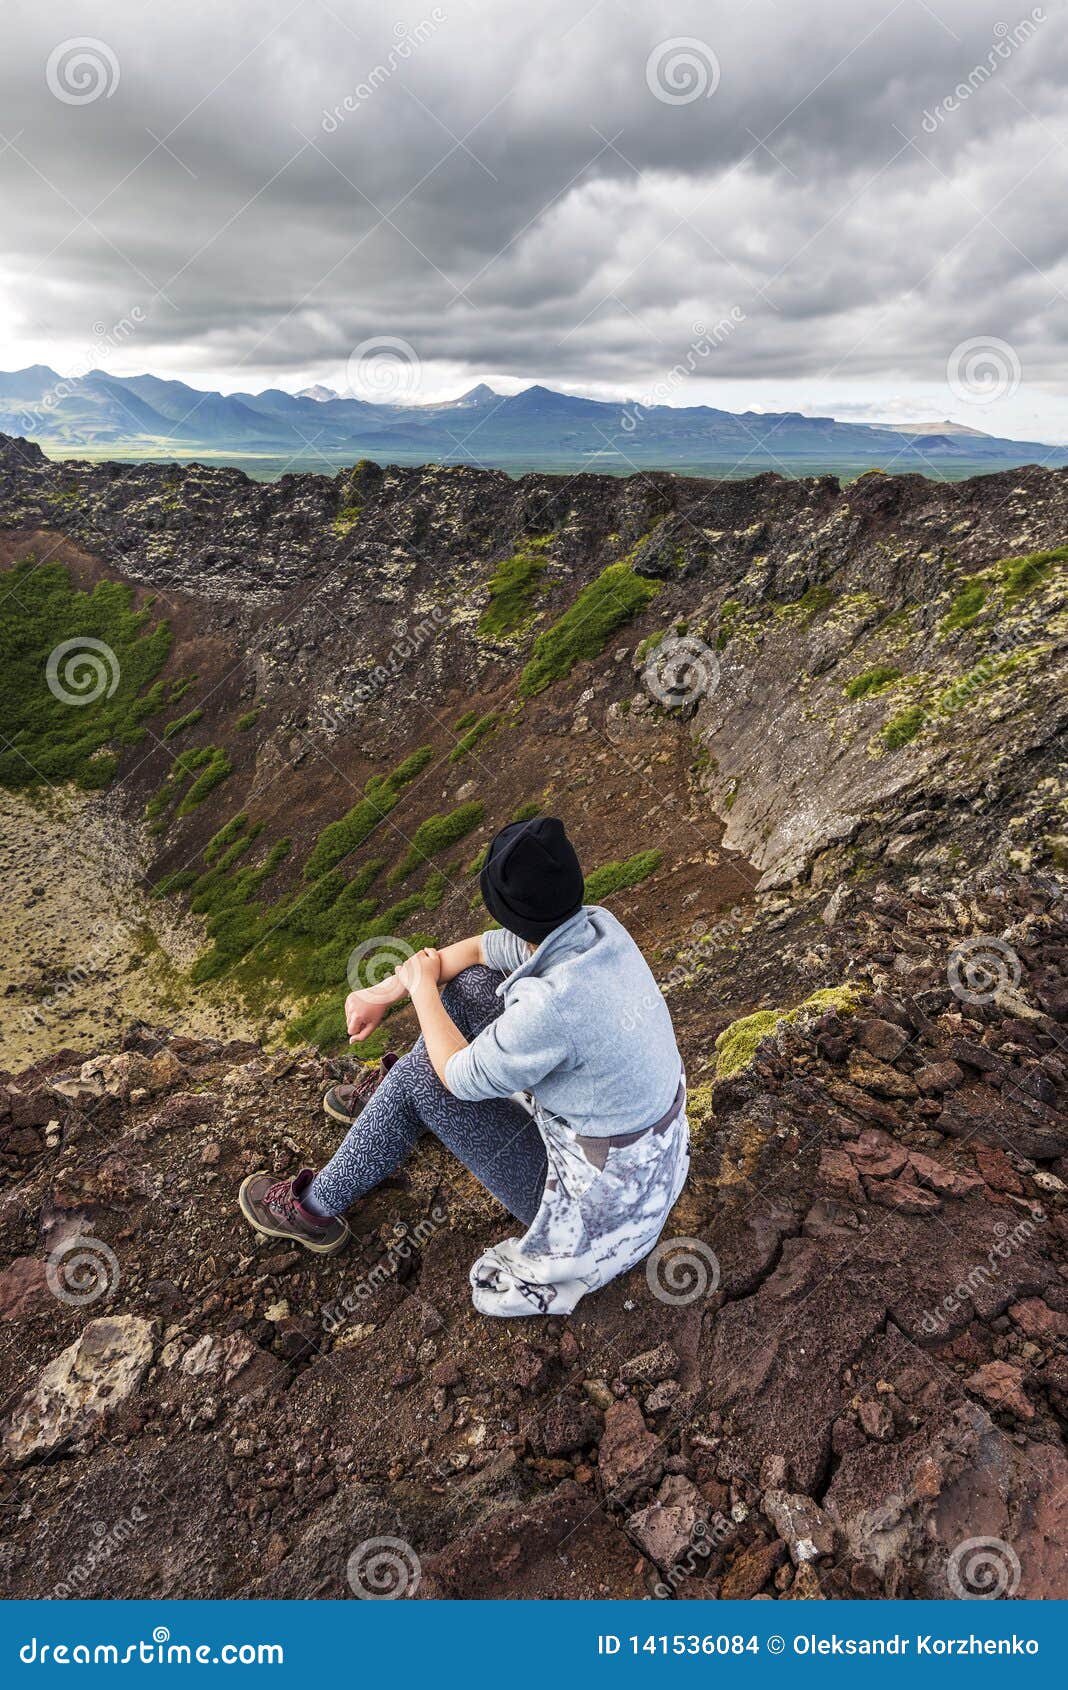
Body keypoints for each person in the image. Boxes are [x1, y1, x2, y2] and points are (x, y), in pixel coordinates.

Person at [238, 816, 689, 1316]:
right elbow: (480, 950)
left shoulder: (552, 1008)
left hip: (591, 1200)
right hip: (644, 1155)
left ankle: (313, 1209)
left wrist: (420, 988)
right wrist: (386, 991)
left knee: (419, 1078)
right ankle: (395, 1115)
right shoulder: (597, 926)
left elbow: (457, 1075)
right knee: (472, 987)